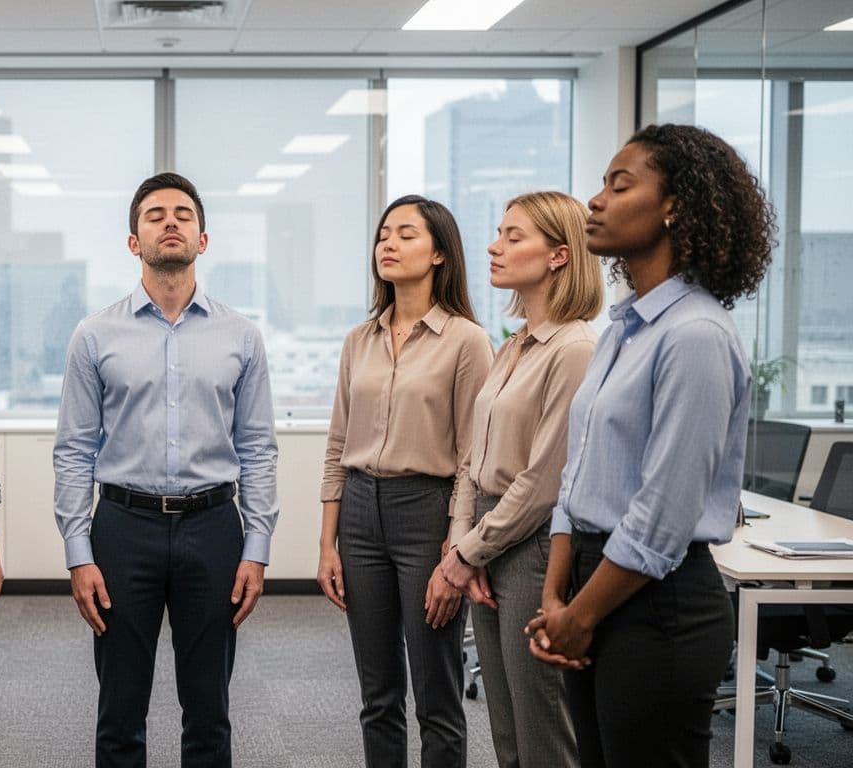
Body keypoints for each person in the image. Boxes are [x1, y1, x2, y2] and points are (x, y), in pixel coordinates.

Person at [526, 124, 775, 768]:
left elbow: (662, 516)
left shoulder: (694, 335)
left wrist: (578, 614)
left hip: (656, 605)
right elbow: (575, 482)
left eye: (619, 184)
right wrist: (557, 599)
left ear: (676, 208)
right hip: (591, 585)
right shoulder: (623, 330)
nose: (596, 201)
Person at [53, 172, 279, 768]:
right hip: (124, 528)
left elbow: (258, 447)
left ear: (203, 239)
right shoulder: (94, 335)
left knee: (209, 712)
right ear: (134, 241)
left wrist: (256, 547)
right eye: (154, 215)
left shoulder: (242, 335)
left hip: (214, 528)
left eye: (183, 213)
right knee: (119, 713)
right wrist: (79, 552)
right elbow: (74, 449)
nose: (170, 221)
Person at [317, 194, 493, 767]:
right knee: (378, 695)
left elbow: (473, 455)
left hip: (429, 514)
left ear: (440, 252)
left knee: (437, 695)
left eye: (406, 234)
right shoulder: (357, 340)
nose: (387, 244)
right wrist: (327, 544)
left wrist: (457, 543)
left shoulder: (467, 340)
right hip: (361, 515)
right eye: (383, 234)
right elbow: (338, 445)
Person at [436, 191, 603, 767]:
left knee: (541, 729)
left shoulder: (574, 350)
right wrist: (464, 540)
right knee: (505, 724)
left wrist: (469, 550)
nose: (493, 246)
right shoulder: (514, 347)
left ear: (559, 255)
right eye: (498, 233)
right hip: (488, 534)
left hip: (531, 545)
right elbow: (471, 456)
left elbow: (545, 481)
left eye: (513, 236)